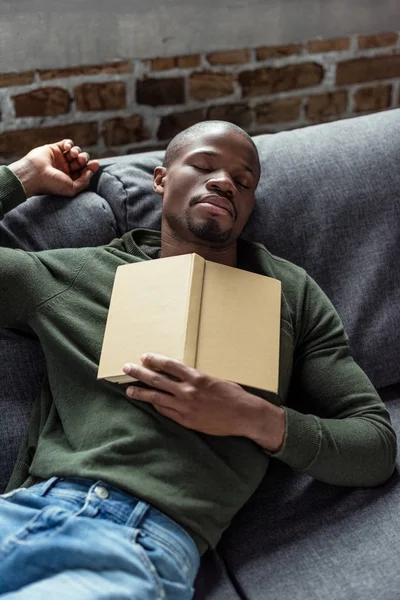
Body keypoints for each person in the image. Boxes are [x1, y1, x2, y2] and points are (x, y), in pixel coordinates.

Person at [0, 123, 396, 600]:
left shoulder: (291, 295)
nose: (225, 182)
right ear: (162, 179)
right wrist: (22, 175)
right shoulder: (74, 275)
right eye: (205, 166)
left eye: (243, 182)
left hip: (134, 541)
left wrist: (252, 417)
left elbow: (375, 445)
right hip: (24, 510)